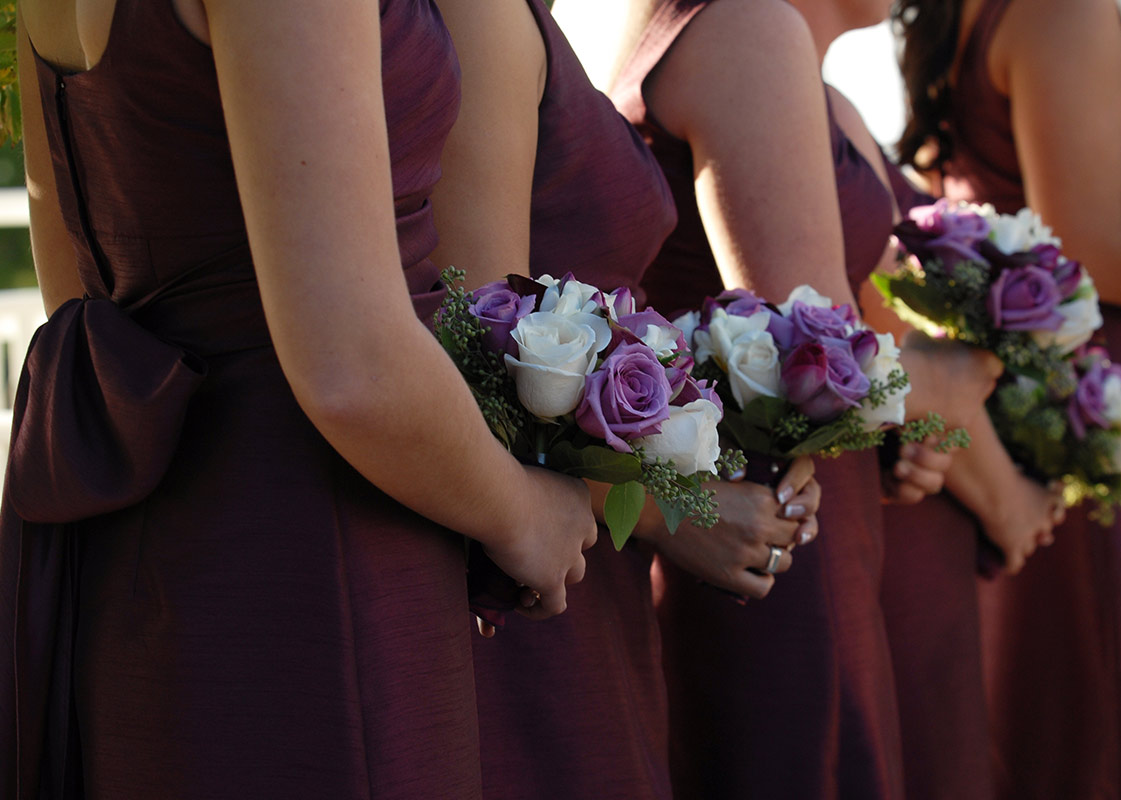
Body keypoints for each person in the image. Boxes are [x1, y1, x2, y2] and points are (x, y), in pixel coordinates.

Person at [1, 0, 598, 796]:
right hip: (318, 555)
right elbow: (350, 365)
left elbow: (77, 291)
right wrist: (523, 512)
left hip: (138, 549)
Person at [555, 0, 1003, 795]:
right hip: (775, 536)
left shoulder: (763, 46)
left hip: (797, 514)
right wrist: (960, 375)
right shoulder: (746, 27)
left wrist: (904, 432)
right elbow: (818, 350)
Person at [429, 0, 820, 795]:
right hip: (536, 568)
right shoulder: (481, 17)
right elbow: (477, 358)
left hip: (588, 568)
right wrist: (674, 508)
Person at [894, 0, 1121, 797]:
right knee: (1112, 726)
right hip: (1090, 411)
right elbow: (1089, 245)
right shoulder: (1060, 9)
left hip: (1047, 409)